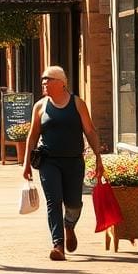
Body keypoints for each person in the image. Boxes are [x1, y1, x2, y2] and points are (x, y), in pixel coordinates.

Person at [22, 65, 105, 262]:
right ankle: (57, 245)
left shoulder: (77, 103)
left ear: (61, 83)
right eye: (42, 79)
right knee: (54, 202)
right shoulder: (40, 107)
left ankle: (69, 225)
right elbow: (32, 137)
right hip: (48, 161)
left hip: (74, 161)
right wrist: (26, 164)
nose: (44, 83)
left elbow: (90, 131)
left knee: (74, 203)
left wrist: (98, 158)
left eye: (48, 79)